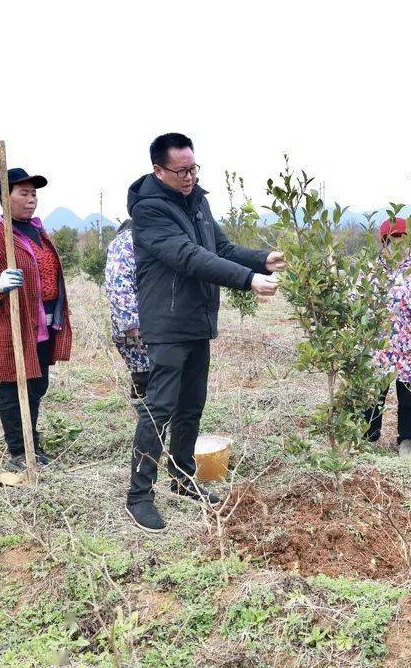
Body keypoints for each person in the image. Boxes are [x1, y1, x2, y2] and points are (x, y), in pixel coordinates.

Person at [124, 132, 285, 532]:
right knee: (159, 407)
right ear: (158, 170)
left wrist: (261, 259)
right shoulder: (149, 211)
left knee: (192, 405)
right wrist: (247, 280)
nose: (190, 177)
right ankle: (139, 495)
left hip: (197, 321)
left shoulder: (197, 200)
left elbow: (220, 248)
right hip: (167, 322)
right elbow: (188, 257)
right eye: (181, 171)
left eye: (194, 168)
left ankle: (182, 478)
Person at [0, 168, 73, 471]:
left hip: (43, 323)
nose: (31, 200)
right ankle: (18, 452)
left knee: (37, 385)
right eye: (23, 193)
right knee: (15, 387)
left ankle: (32, 443)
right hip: (15, 326)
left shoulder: (37, 230)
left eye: (34, 193)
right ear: (4, 197)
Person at [363, 217, 411, 458]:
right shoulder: (370, 271)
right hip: (378, 345)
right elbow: (357, 304)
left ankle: (406, 440)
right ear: (383, 243)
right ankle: (369, 436)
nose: (395, 245)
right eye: (390, 240)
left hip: (409, 348)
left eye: (400, 240)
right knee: (374, 393)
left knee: (408, 396)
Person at [105, 219, 150, 399]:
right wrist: (132, 325)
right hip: (135, 325)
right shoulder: (126, 242)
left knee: (152, 375)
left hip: (146, 321)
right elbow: (119, 286)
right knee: (144, 375)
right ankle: (147, 421)